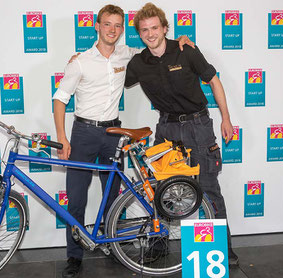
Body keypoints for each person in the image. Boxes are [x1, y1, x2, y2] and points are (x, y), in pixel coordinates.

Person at [52, 4, 194, 277]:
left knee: (113, 197)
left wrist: (182, 41)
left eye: (118, 25)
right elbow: (60, 99)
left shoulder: (126, 53)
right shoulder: (80, 61)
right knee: (76, 199)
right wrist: (62, 137)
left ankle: (115, 248)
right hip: (83, 133)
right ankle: (74, 256)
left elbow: (157, 47)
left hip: (113, 133)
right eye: (107, 24)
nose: (113, 30)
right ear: (97, 26)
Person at [124, 2, 239, 266]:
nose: (150, 34)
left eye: (155, 28)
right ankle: (159, 244)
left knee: (209, 190)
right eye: (144, 30)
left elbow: (214, 80)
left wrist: (227, 118)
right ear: (139, 34)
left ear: (165, 28)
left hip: (198, 127)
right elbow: (113, 71)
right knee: (162, 191)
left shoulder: (186, 50)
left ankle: (222, 248)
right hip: (166, 130)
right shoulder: (139, 63)